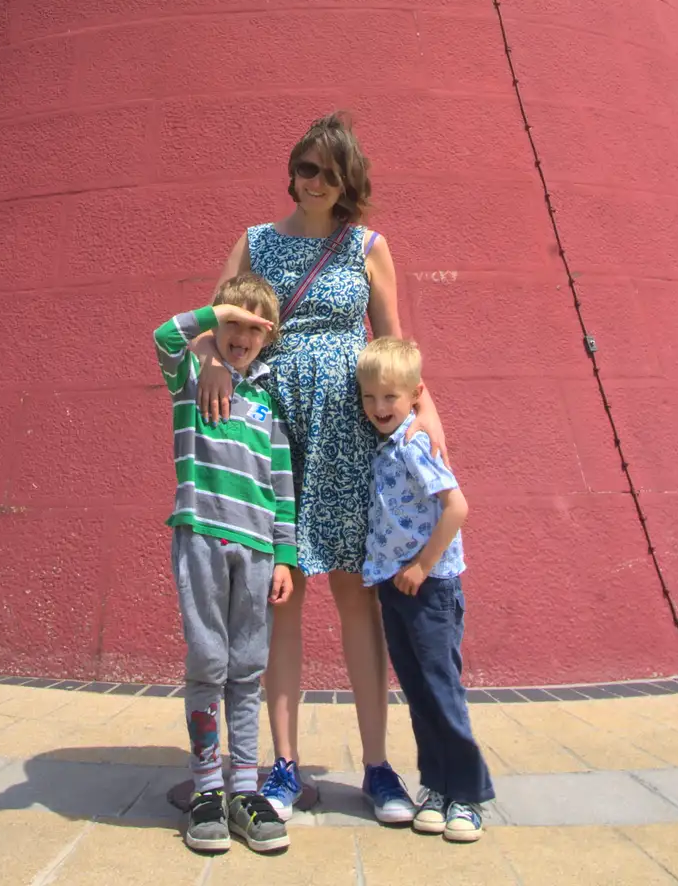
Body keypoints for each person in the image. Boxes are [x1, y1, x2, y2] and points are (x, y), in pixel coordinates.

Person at [198, 113, 447, 824]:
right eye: (303, 168)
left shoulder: (366, 246)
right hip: (269, 427)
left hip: (346, 431)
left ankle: (377, 767)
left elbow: (394, 345)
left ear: (347, 180)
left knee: (355, 596)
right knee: (280, 594)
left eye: (326, 173)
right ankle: (280, 765)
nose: (310, 183)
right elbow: (212, 322)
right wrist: (216, 362)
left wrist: (427, 417)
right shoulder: (255, 242)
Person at [154, 272, 296, 855]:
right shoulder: (191, 377)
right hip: (202, 536)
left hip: (258, 549)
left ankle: (244, 784)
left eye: (254, 328)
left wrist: (284, 555)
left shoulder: (268, 402)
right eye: (233, 324)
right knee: (209, 659)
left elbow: (282, 485)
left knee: (247, 665)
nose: (241, 335)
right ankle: (207, 784)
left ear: (269, 336)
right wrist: (214, 320)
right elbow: (165, 336)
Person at [357, 335, 494, 842]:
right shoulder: (387, 444)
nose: (378, 408)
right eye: (369, 398)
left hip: (429, 584)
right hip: (397, 584)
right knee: (417, 691)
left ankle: (468, 795)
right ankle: (436, 786)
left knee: (441, 689)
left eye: (389, 397)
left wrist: (421, 565)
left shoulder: (417, 442)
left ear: (415, 394)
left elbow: (457, 507)